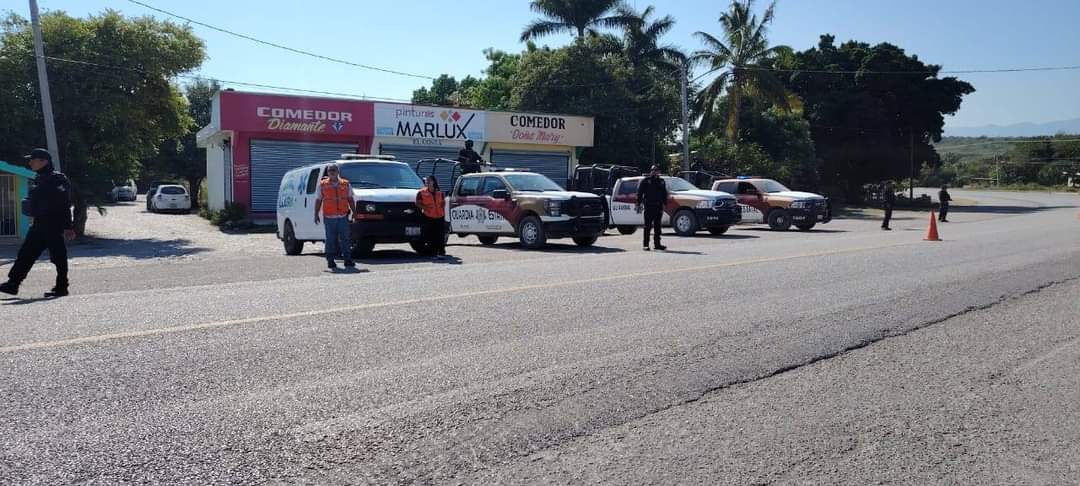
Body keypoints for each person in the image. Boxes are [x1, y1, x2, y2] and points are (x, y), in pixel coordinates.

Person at [1, 149, 76, 297]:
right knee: (26, 254)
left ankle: (62, 286)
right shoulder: (39, 178)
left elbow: (64, 204)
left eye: (33, 159)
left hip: (53, 224)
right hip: (39, 224)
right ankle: (13, 284)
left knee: (58, 256)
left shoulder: (57, 180)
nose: (30, 162)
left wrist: (68, 227)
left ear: (44, 161)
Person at [313, 164, 356, 270]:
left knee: (346, 239)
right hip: (329, 217)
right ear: (327, 173)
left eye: (334, 170)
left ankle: (347, 260)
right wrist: (316, 214)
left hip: (343, 216)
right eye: (329, 170)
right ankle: (330, 260)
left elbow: (350, 199)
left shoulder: (346, 184)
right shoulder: (322, 185)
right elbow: (318, 200)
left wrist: (354, 212)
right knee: (330, 240)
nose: (331, 172)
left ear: (338, 172)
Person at [636, 165, 669, 251]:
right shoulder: (646, 181)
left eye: (656, 170)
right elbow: (640, 193)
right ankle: (645, 245)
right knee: (647, 226)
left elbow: (664, 194)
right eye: (653, 170)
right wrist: (638, 203)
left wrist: (665, 204)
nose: (655, 172)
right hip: (649, 206)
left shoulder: (662, 181)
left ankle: (657, 244)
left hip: (658, 207)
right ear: (651, 171)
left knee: (658, 227)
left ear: (659, 171)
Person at [416, 176, 448, 260]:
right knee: (431, 236)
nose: (427, 182)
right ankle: (433, 253)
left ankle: (441, 252)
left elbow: (443, 202)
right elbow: (418, 203)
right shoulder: (421, 192)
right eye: (426, 181)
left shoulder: (439, 192)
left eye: (429, 181)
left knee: (440, 235)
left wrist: (442, 207)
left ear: (433, 182)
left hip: (440, 216)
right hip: (429, 216)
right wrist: (425, 208)